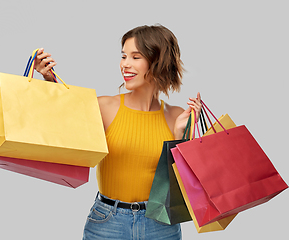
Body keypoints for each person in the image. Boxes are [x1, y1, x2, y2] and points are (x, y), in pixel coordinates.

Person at [34, 24, 202, 240]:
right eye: (124, 56)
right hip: (108, 222)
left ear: (158, 62)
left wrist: (181, 135)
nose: (125, 64)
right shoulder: (104, 107)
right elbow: (64, 123)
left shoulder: (176, 116)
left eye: (135, 57)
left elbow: (185, 189)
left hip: (161, 225)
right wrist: (49, 79)